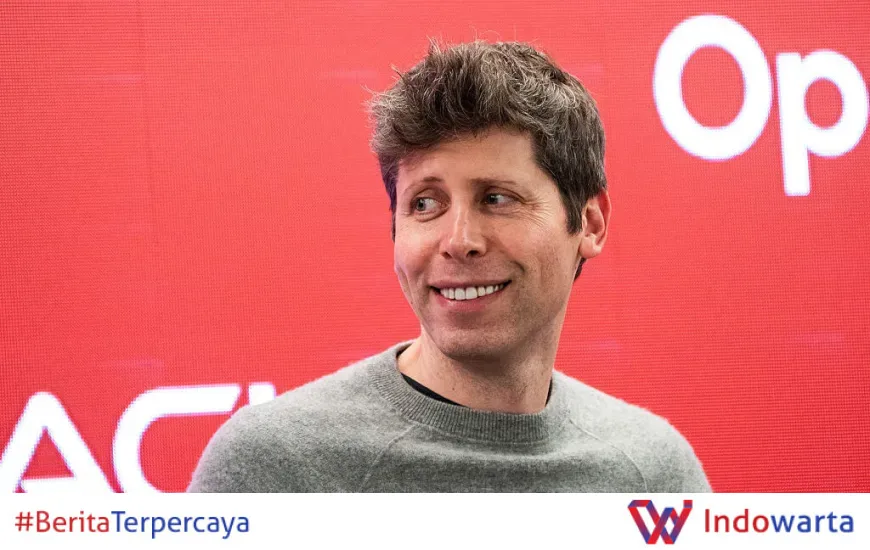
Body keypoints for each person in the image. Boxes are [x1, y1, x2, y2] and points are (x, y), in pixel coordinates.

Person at [187, 40, 712, 492]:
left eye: (497, 198)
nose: (459, 242)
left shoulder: (654, 474)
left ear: (590, 223)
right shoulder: (273, 468)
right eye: (425, 204)